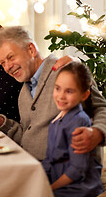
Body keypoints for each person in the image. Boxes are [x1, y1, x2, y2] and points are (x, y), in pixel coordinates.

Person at [0, 26, 106, 161]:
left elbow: (102, 107)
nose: (7, 67)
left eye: (11, 57)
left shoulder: (67, 70)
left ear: (31, 50)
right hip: (32, 167)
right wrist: (4, 123)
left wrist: (98, 133)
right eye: (3, 63)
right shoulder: (24, 92)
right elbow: (29, 136)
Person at [42, 62, 103, 196]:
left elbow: (77, 170)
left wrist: (50, 188)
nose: (61, 96)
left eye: (69, 91)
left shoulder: (79, 121)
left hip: (78, 188)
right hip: (60, 182)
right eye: (57, 88)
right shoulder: (55, 122)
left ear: (84, 95)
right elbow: (48, 160)